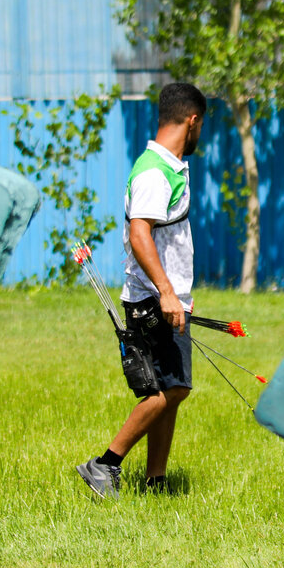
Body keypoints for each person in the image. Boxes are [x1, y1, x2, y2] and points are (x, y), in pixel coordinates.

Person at [77, 82, 206, 499]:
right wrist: (168, 293)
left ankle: (156, 480)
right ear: (192, 120)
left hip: (165, 295)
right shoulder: (154, 171)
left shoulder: (166, 166)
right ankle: (105, 464)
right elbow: (139, 235)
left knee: (168, 387)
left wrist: (180, 293)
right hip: (152, 299)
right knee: (172, 388)